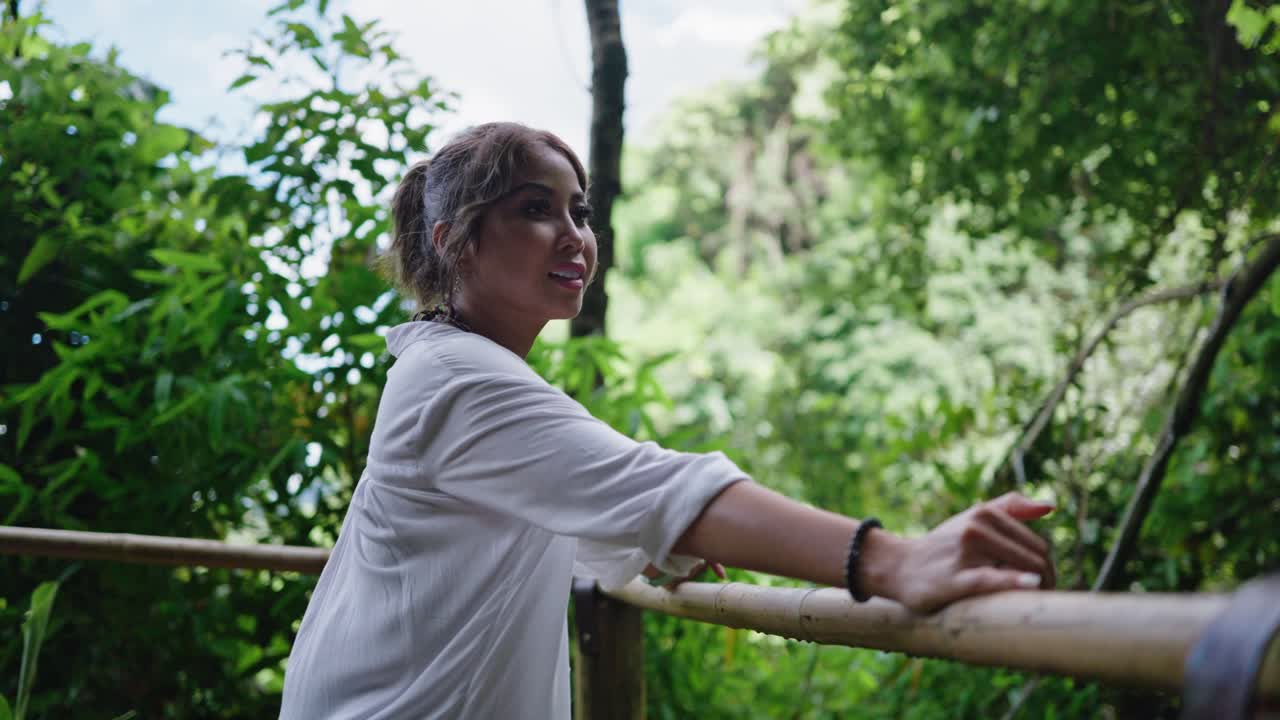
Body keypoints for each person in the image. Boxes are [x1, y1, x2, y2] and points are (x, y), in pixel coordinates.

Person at [278, 122, 1056, 719]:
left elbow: (504, 538)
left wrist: (638, 544)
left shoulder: (452, 369)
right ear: (455, 244)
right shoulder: (457, 377)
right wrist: (893, 561)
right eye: (533, 209)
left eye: (579, 212)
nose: (575, 235)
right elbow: (655, 483)